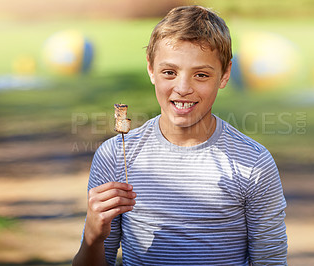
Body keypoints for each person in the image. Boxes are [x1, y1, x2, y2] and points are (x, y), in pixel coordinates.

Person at [73, 5, 287, 266]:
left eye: (201, 75)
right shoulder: (116, 155)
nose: (183, 88)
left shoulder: (253, 162)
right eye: (169, 72)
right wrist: (92, 238)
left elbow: (270, 261)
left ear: (225, 74)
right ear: (151, 70)